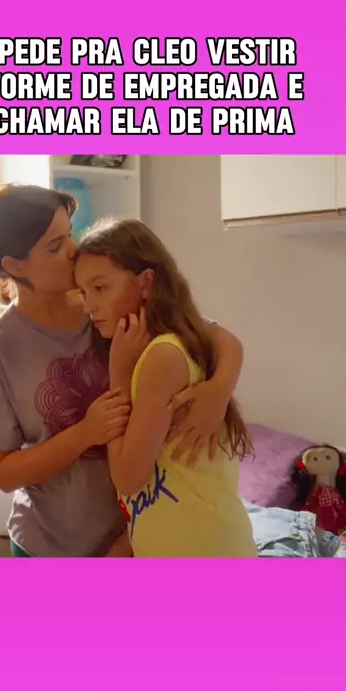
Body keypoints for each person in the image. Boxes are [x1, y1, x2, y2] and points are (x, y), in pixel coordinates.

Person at [0, 183, 247, 558]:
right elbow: (4, 473)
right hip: (49, 546)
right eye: (55, 246)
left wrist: (219, 390)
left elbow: (215, 337)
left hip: (137, 535)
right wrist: (85, 433)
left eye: (70, 235)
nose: (73, 250)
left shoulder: (108, 302)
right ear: (15, 266)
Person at [74, 218, 257, 558]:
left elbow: (129, 479)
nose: (89, 306)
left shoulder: (164, 356)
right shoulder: (178, 341)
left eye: (100, 288)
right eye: (83, 292)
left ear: (146, 282)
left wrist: (119, 372)